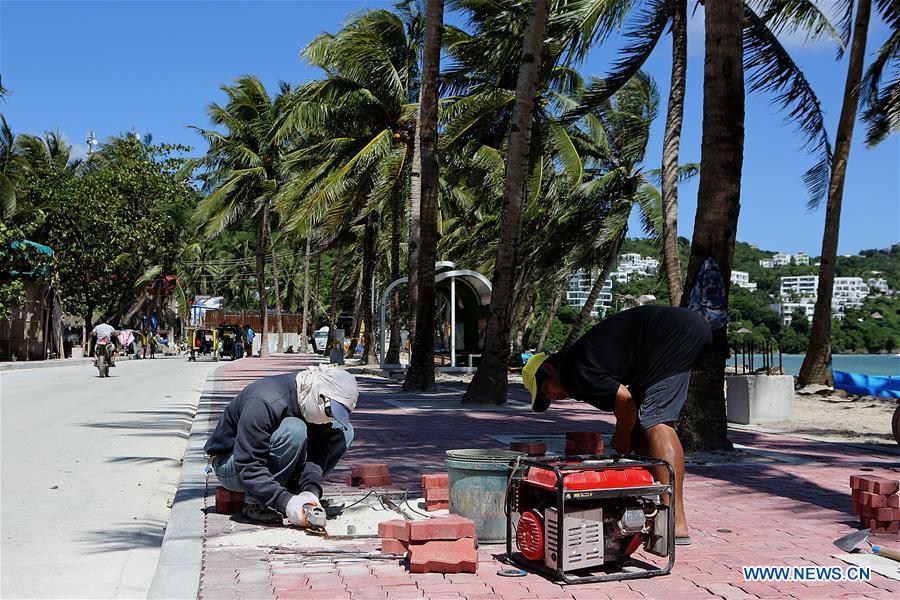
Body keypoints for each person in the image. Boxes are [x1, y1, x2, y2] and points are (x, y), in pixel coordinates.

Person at [522, 304, 712, 546]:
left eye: (547, 391)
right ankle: (653, 503)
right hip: (680, 332)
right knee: (646, 425)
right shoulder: (581, 363)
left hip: (671, 335)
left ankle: (675, 521)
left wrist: (621, 436)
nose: (553, 398)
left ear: (549, 369)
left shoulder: (573, 371)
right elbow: (629, 403)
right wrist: (627, 435)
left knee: (656, 420)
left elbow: (624, 400)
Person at [205, 364, 357, 525]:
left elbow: (318, 450)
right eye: (330, 412)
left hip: (260, 463)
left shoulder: (311, 399)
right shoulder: (264, 401)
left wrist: (310, 491)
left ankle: (293, 491)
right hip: (232, 464)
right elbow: (248, 464)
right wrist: (285, 502)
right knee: (294, 430)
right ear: (320, 396)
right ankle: (256, 501)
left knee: (344, 431)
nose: (330, 418)